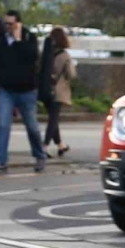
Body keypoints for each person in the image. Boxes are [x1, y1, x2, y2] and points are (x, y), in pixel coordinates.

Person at [0, 11, 46, 174]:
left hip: (27, 90)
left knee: (31, 126)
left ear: (19, 23)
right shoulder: (1, 40)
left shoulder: (29, 38)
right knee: (2, 124)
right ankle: (1, 161)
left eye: (11, 24)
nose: (8, 27)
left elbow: (30, 58)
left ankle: (39, 155)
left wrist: (17, 41)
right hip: (6, 89)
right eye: (6, 24)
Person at [38, 25, 75, 157]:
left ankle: (60, 145)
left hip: (46, 89)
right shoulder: (64, 55)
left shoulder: (45, 53)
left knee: (53, 118)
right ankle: (44, 146)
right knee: (53, 119)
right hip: (58, 91)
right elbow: (71, 74)